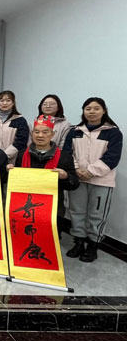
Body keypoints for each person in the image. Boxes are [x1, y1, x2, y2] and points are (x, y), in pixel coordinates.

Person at [63, 97, 122, 262]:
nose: (92, 112)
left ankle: (93, 245)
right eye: (88, 109)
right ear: (83, 111)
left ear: (104, 111)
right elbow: (67, 153)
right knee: (76, 211)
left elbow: (112, 157)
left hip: (101, 181)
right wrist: (76, 169)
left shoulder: (113, 132)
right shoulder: (74, 131)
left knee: (97, 214)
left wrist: (90, 171)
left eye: (96, 108)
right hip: (78, 179)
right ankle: (78, 242)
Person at [0, 90, 29, 165]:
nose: (5, 103)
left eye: (8, 100)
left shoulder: (20, 121)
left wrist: (4, 155)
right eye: (2, 100)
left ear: (13, 103)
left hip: (13, 161)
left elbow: (21, 141)